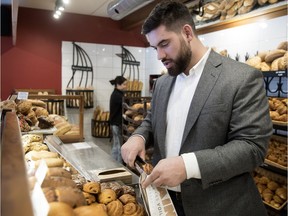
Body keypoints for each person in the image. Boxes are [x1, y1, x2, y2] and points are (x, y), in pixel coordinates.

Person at [121, 1, 273, 215]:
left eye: (164, 44)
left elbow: (252, 148)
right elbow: (152, 121)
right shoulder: (163, 83)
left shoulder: (241, 78)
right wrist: (140, 136)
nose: (159, 56)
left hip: (219, 206)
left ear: (187, 33)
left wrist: (187, 165)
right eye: (155, 47)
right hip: (165, 202)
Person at [109, 76, 127, 163]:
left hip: (114, 123)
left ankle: (114, 163)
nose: (125, 86)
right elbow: (126, 105)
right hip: (116, 123)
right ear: (118, 85)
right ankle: (119, 165)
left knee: (116, 145)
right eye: (124, 84)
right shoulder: (118, 95)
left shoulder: (117, 93)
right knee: (119, 146)